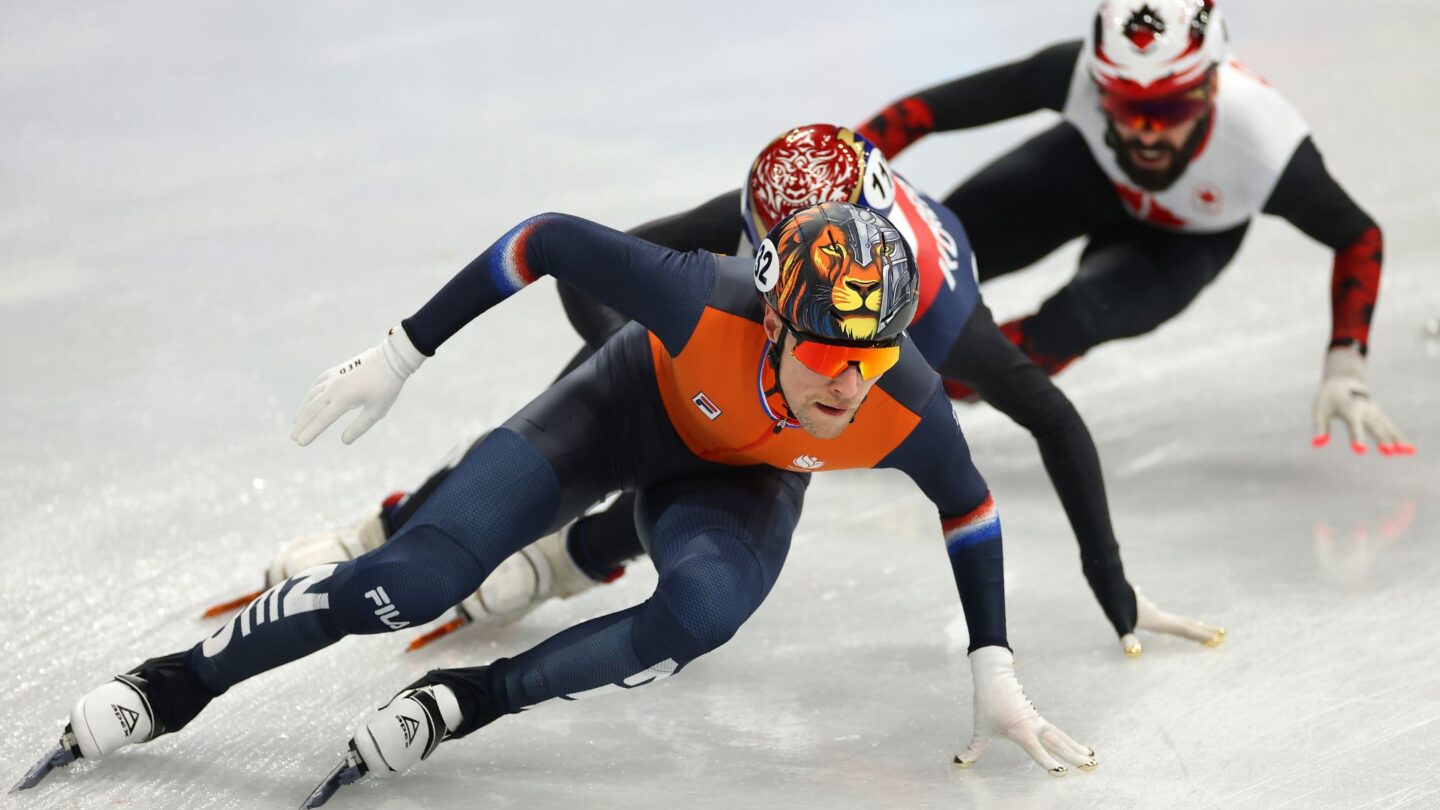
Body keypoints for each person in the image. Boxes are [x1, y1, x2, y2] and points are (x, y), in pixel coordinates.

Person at [18, 202, 1095, 804]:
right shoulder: (701, 296)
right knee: (416, 582)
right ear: (774, 319)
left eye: (870, 355)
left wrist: (992, 665)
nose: (845, 382)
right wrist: (401, 351)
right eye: (824, 349)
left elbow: (971, 505)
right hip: (621, 408)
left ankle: (473, 701)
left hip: (737, 483)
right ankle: (179, 684)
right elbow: (542, 241)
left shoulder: (898, 399)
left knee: (705, 615)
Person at [248, 125, 1222, 659]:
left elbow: (1048, 414)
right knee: (626, 370)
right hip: (773, 308)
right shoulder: (784, 201)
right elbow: (588, 269)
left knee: (738, 441)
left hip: (842, 384)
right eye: (770, 257)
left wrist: (1112, 585)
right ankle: (415, 522)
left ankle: (580, 556)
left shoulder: (929, 326)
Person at [856, 0, 1413, 456]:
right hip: (1086, 173)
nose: (1146, 133)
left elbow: (1359, 235)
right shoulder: (1071, 73)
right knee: (939, 246)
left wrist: (1346, 363)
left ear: (1211, 89)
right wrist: (837, 174)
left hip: (1183, 237)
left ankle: (910, 395)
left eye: (1169, 110)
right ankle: (831, 340)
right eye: (1123, 106)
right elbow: (923, 112)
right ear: (1099, 85)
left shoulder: (1266, 147)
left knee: (1078, 317)